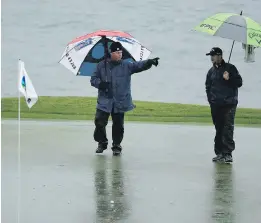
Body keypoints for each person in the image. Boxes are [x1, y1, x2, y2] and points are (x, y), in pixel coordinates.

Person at [90, 41, 159, 155]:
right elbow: (93, 79)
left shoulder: (127, 65)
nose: (120, 54)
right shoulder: (102, 65)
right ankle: (102, 142)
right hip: (104, 101)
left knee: (118, 125)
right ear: (111, 53)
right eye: (117, 52)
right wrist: (101, 84)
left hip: (120, 100)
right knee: (99, 123)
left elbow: (139, 65)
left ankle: (116, 145)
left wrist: (149, 62)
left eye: (121, 52)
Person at [205, 47, 243, 163]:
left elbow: (239, 82)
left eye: (213, 56)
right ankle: (219, 153)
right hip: (216, 104)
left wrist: (229, 78)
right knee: (219, 129)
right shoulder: (211, 71)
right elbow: (208, 86)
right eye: (210, 56)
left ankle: (228, 154)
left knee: (227, 128)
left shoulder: (230, 68)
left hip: (229, 104)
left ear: (220, 56)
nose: (211, 58)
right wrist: (211, 100)